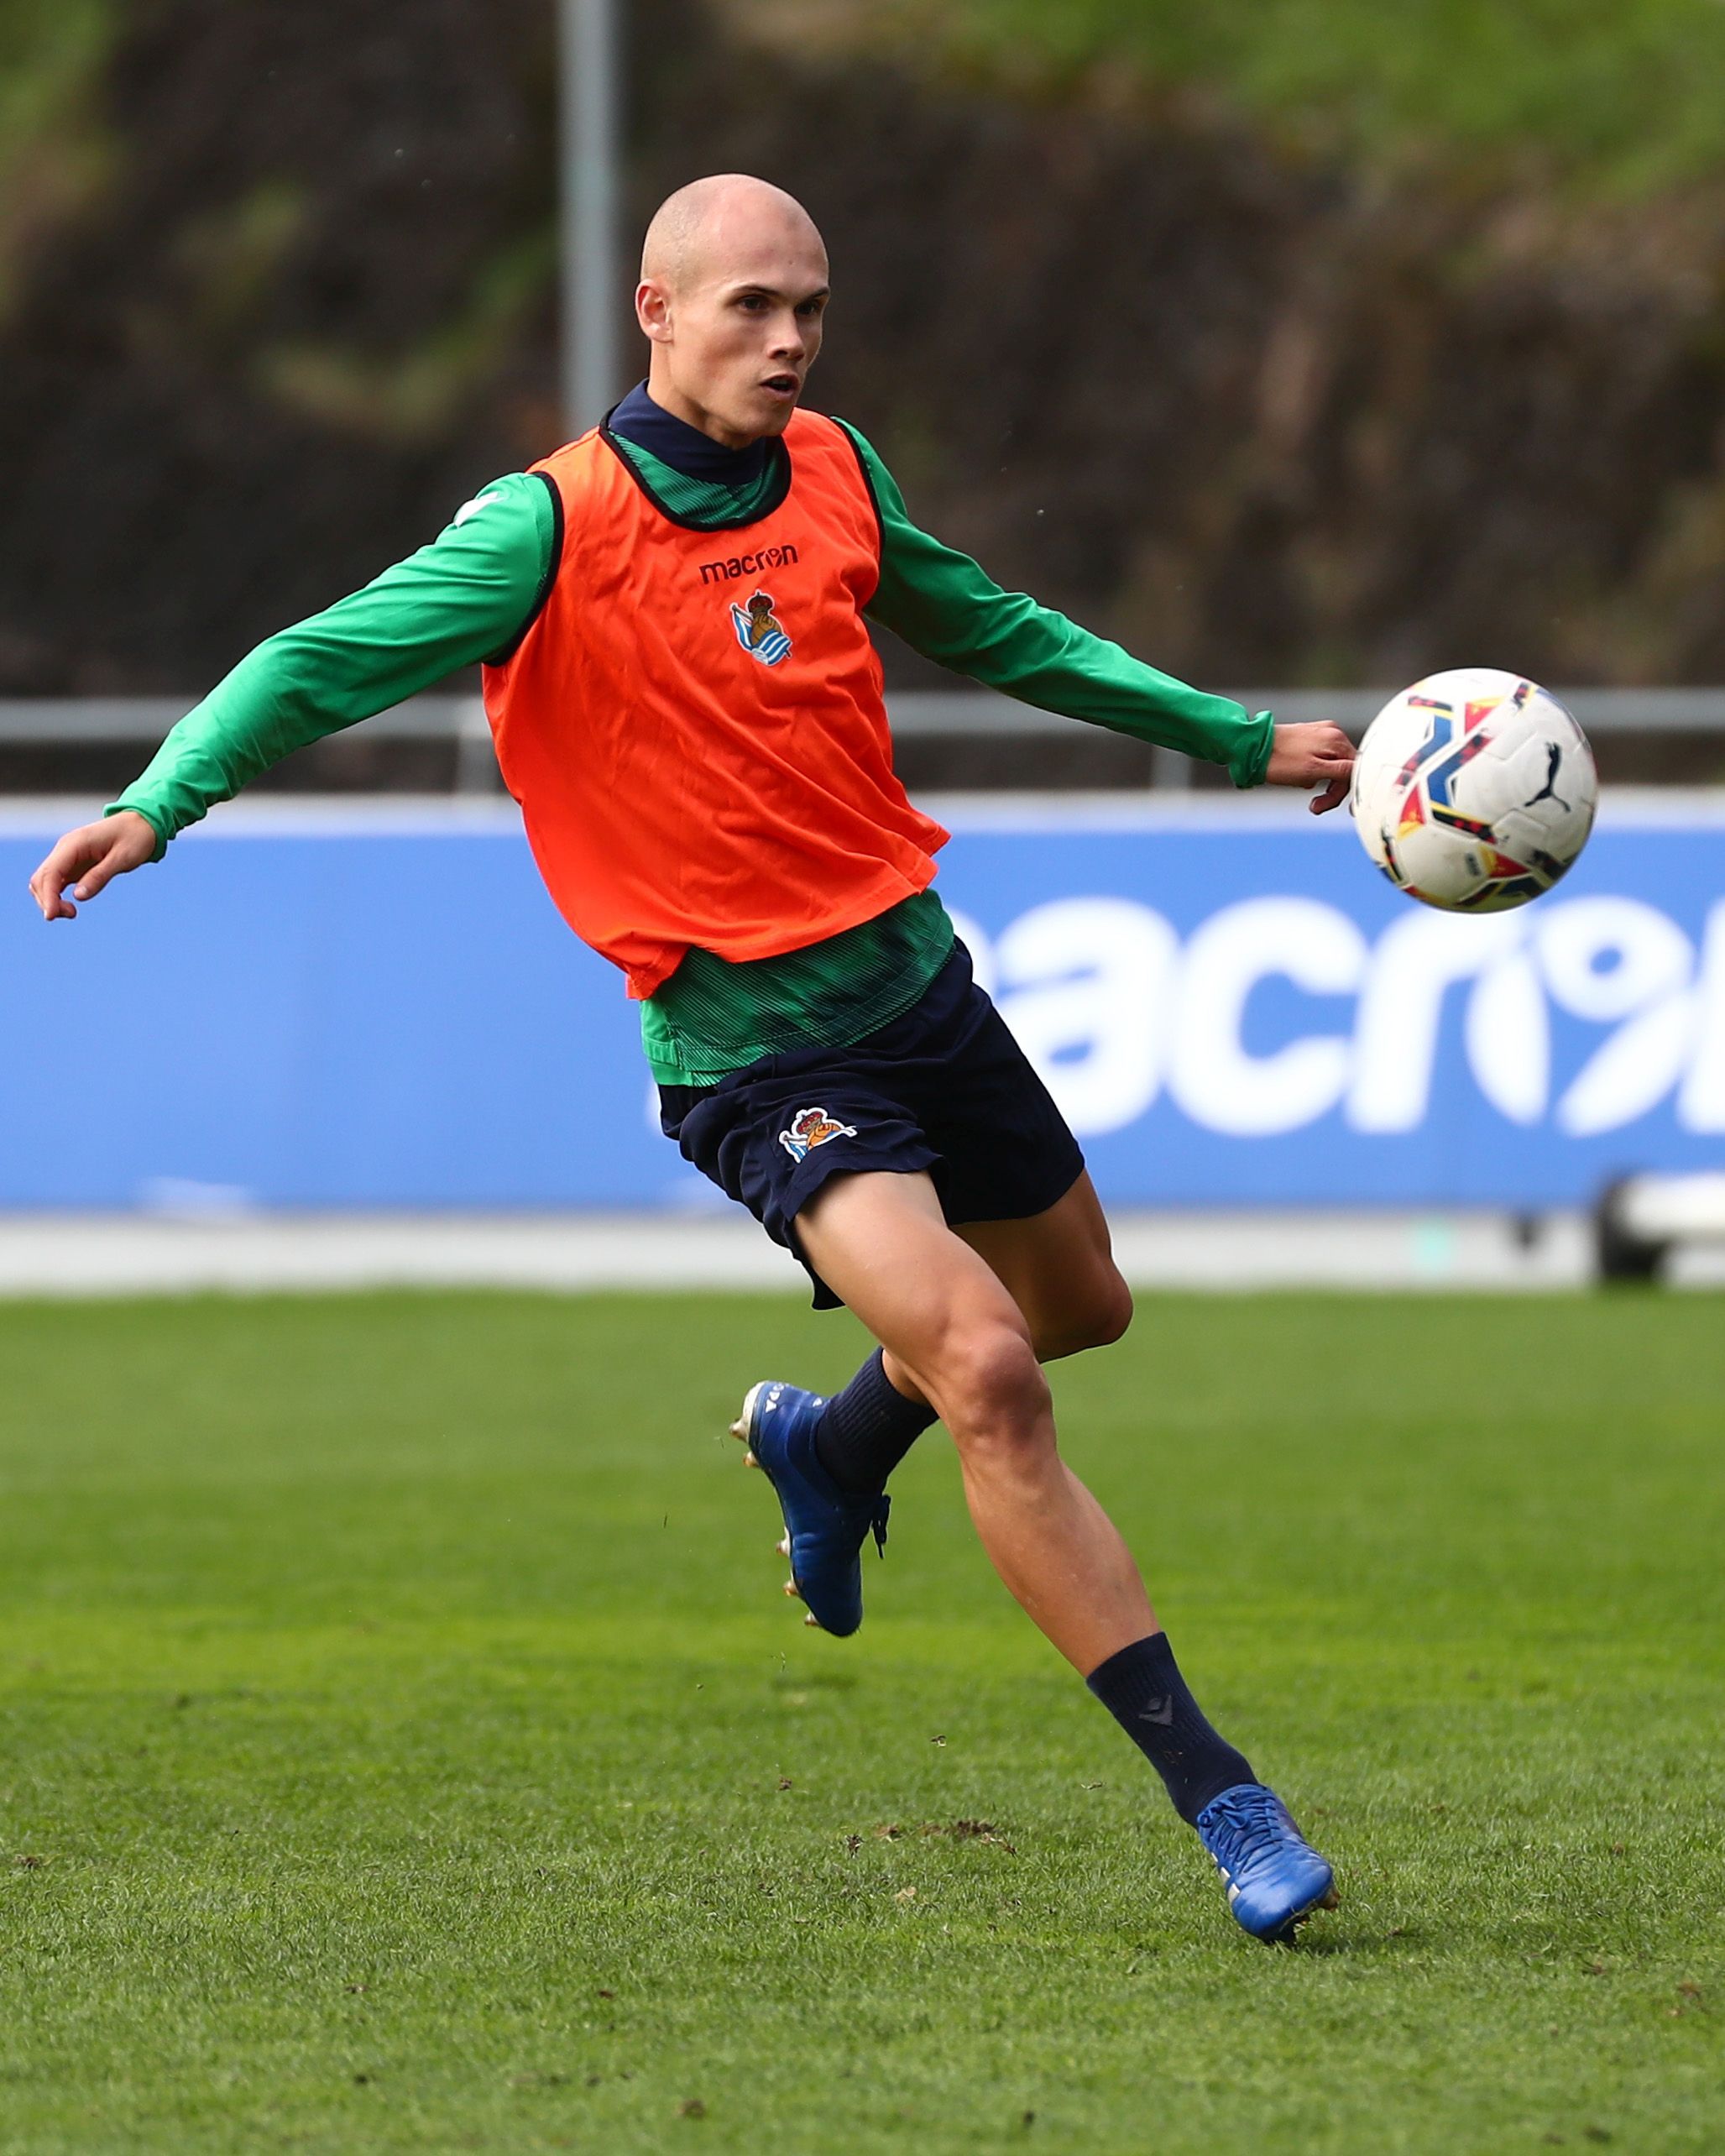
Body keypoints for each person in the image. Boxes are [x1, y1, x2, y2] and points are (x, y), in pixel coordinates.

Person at [31, 175, 1356, 1943]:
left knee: (1077, 1308)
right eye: (748, 307)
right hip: (748, 1040)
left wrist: (1233, 737)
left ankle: (824, 1453)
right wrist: (159, 803)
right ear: (652, 313)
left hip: (917, 987)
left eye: (807, 304)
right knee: (986, 1364)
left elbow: (993, 623)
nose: (788, 338)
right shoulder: (544, 529)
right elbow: (315, 661)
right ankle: (1227, 1804)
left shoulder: (833, 468)